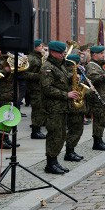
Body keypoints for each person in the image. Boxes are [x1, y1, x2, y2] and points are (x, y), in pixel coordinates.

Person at [40, 41, 81, 174]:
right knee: (54, 135)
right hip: (53, 107)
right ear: (53, 52)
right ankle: (50, 163)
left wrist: (74, 77)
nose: (64, 54)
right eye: (61, 52)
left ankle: (55, 161)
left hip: (62, 106)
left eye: (64, 52)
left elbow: (63, 78)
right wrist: (66, 94)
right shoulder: (47, 67)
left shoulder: (60, 65)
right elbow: (47, 89)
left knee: (61, 134)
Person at [86, 46, 105, 151]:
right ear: (94, 55)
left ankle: (100, 140)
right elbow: (94, 79)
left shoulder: (98, 65)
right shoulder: (91, 66)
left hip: (102, 96)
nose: (103, 55)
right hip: (96, 97)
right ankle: (97, 142)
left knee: (102, 120)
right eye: (101, 53)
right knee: (98, 120)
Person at [63, 54, 86, 163]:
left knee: (78, 129)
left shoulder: (74, 72)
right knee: (74, 129)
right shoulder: (68, 73)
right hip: (72, 105)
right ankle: (69, 152)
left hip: (77, 104)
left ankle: (71, 151)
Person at [27, 40, 47, 139]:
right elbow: (24, 74)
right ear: (35, 47)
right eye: (40, 46)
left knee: (41, 109)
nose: (42, 48)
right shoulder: (31, 58)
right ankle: (35, 131)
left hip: (41, 87)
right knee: (37, 110)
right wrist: (39, 76)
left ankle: (38, 129)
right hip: (35, 88)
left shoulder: (40, 57)